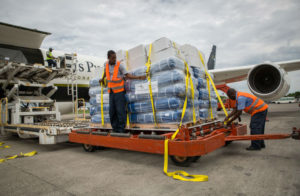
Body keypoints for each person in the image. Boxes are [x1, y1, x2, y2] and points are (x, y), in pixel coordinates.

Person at [99, 50, 146, 133]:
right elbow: (106, 72)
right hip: (111, 92)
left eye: (115, 58)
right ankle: (115, 128)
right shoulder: (106, 64)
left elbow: (127, 75)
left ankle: (121, 129)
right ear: (108, 58)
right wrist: (102, 79)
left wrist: (139, 77)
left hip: (120, 92)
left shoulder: (120, 65)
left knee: (120, 111)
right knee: (112, 112)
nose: (114, 59)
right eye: (113, 58)